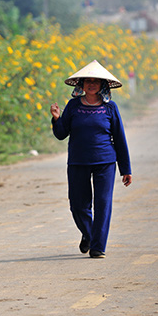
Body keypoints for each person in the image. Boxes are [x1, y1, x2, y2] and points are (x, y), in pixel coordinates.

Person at [50, 60, 132, 258]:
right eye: (88, 81)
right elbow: (61, 134)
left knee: (103, 204)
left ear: (103, 85)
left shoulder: (110, 108)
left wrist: (126, 169)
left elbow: (120, 139)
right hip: (78, 161)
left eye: (96, 81)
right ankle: (89, 233)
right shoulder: (73, 106)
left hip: (105, 162)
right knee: (77, 205)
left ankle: (97, 247)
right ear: (82, 84)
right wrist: (56, 118)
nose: (92, 84)